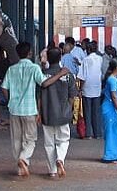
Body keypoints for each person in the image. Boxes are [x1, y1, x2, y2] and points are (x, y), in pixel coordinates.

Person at [1, 42, 66, 177]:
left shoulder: (11, 69)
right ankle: (23, 159)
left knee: (16, 139)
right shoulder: (34, 68)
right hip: (29, 110)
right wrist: (60, 74)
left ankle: (20, 168)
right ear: (30, 53)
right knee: (30, 139)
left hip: (14, 110)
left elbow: (4, 88)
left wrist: (10, 100)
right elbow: (45, 83)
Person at [39, 48, 77, 178]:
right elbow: (72, 96)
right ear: (60, 57)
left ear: (48, 58)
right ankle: (60, 158)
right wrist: (69, 109)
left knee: (49, 143)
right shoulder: (67, 75)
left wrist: (39, 112)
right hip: (63, 113)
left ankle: (52, 171)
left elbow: (39, 95)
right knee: (64, 140)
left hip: (47, 113)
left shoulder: (43, 74)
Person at [101, 58, 117, 163]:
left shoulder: (116, 79)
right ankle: (111, 155)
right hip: (111, 108)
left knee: (116, 131)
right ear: (116, 67)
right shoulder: (112, 80)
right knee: (113, 132)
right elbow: (114, 97)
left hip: (114, 107)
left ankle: (116, 153)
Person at [77, 41, 104, 139]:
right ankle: (98, 133)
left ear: (88, 50)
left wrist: (80, 89)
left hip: (87, 89)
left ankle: (88, 133)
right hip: (97, 88)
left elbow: (82, 77)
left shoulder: (85, 60)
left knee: (87, 112)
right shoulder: (100, 59)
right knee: (96, 112)